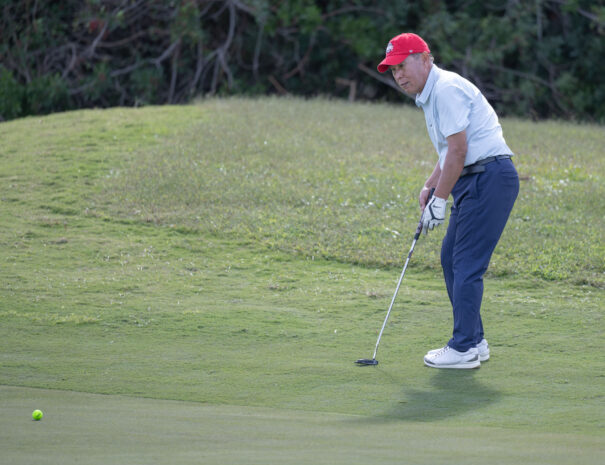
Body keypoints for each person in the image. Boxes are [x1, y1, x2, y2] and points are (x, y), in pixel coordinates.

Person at [377, 33, 520, 369]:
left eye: (402, 65)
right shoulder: (430, 95)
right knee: (451, 258)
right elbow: (449, 151)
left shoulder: (445, 89)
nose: (398, 75)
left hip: (488, 178)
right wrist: (431, 186)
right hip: (475, 179)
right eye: (393, 69)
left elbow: (459, 150)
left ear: (425, 59)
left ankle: (463, 347)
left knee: (466, 264)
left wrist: (440, 199)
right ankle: (475, 340)